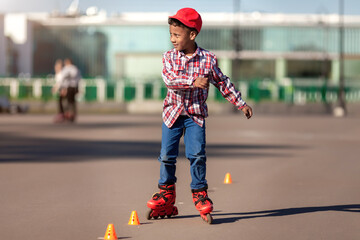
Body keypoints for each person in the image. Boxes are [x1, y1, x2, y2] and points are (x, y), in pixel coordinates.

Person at [146, 8, 253, 224]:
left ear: (192, 35)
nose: (172, 39)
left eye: (177, 35)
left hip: (195, 116)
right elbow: (169, 79)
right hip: (172, 115)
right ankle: (166, 193)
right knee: (166, 155)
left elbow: (222, 82)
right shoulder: (168, 57)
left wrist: (240, 103)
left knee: (197, 155)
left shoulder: (208, 60)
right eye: (171, 34)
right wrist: (192, 82)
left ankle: (199, 192)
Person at [59, 58, 81, 122]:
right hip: (72, 87)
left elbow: (65, 79)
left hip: (70, 87)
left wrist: (63, 88)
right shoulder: (75, 69)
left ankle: (68, 114)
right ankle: (70, 114)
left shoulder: (70, 68)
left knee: (69, 101)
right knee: (71, 101)